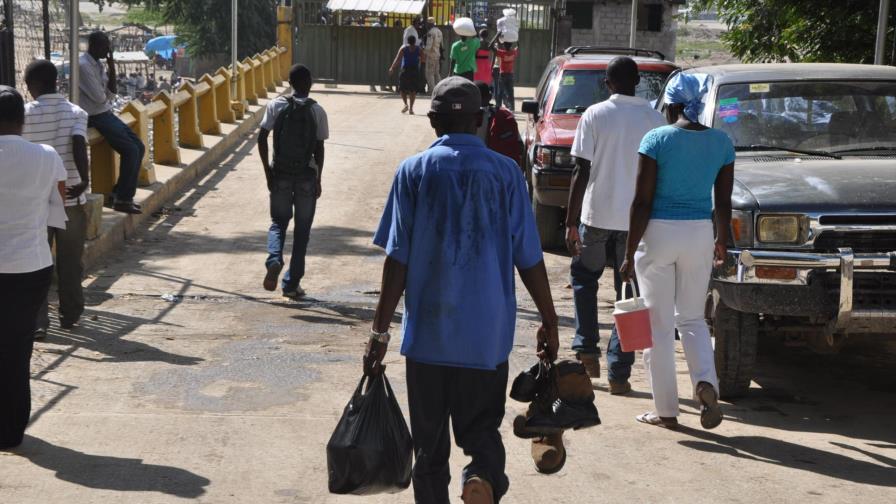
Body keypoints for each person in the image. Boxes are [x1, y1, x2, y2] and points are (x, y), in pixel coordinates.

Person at [364, 76, 559, 504]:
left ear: (432, 121)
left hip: (429, 340)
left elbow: (397, 261)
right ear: (480, 121)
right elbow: (529, 258)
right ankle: (482, 479)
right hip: (486, 342)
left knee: (428, 451)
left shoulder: (412, 172)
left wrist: (379, 333)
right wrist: (549, 318)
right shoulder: (506, 174)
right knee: (482, 433)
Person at [620, 72, 733, 429]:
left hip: (658, 234)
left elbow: (641, 202)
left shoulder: (656, 139)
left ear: (671, 105)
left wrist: (627, 252)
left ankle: (666, 411)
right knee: (693, 320)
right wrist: (722, 240)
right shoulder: (722, 142)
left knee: (659, 326)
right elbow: (724, 202)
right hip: (700, 232)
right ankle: (705, 384)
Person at [565, 57, 666, 394]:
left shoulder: (594, 115)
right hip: (635, 221)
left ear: (606, 82)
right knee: (629, 293)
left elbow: (581, 170)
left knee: (584, 279)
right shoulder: (654, 118)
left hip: (596, 215)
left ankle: (586, 349)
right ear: (638, 81)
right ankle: (619, 372)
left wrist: (569, 222)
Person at [0, 86, 68, 449]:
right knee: (17, 349)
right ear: (22, 120)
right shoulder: (45, 155)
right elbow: (60, 197)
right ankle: (11, 431)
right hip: (30, 264)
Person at [22, 60, 91, 335]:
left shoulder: (25, 114)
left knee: (38, 263)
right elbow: (78, 143)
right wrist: (83, 180)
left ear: (33, 86)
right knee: (70, 261)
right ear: (56, 82)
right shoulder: (76, 112)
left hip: (37, 199)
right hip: (70, 198)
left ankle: (39, 322)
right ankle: (70, 314)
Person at [257, 64, 329, 299]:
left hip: (280, 174)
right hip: (306, 178)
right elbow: (319, 148)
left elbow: (261, 138)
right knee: (302, 231)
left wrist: (268, 172)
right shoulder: (317, 110)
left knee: (278, 222)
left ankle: (274, 259)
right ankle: (291, 283)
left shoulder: (276, 105)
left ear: (289, 82)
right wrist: (318, 179)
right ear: (309, 83)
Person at [78, 31, 145, 214]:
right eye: (104, 46)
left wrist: (112, 66)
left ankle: (119, 192)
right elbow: (100, 97)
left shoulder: (99, 65)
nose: (108, 49)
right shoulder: (83, 66)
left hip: (104, 112)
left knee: (139, 146)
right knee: (130, 150)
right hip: (94, 116)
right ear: (93, 45)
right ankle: (123, 199)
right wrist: (106, 94)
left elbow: (112, 93)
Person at [474, 80, 522, 167]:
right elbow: (519, 146)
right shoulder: (504, 115)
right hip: (500, 167)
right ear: (489, 97)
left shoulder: (465, 118)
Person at [389, 35, 425, 115]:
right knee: (413, 90)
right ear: (415, 41)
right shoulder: (419, 49)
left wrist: (392, 68)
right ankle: (411, 109)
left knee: (402, 89)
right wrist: (422, 71)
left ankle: (405, 104)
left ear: (407, 41)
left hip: (405, 70)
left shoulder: (403, 48)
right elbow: (423, 60)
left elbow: (397, 59)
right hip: (414, 70)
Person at [494, 42, 518, 110]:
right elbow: (517, 48)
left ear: (504, 46)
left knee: (500, 92)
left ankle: (498, 107)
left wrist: (496, 42)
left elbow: (493, 49)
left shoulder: (502, 53)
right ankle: (512, 108)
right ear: (511, 46)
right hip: (510, 74)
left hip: (503, 74)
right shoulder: (513, 52)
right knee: (510, 92)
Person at [423, 18, 443, 94]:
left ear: (429, 24)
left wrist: (424, 53)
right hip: (437, 54)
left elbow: (429, 46)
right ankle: (441, 89)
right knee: (436, 73)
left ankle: (432, 90)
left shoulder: (430, 33)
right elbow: (441, 45)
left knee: (429, 73)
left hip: (431, 55)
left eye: (427, 23)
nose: (426, 25)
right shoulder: (439, 31)